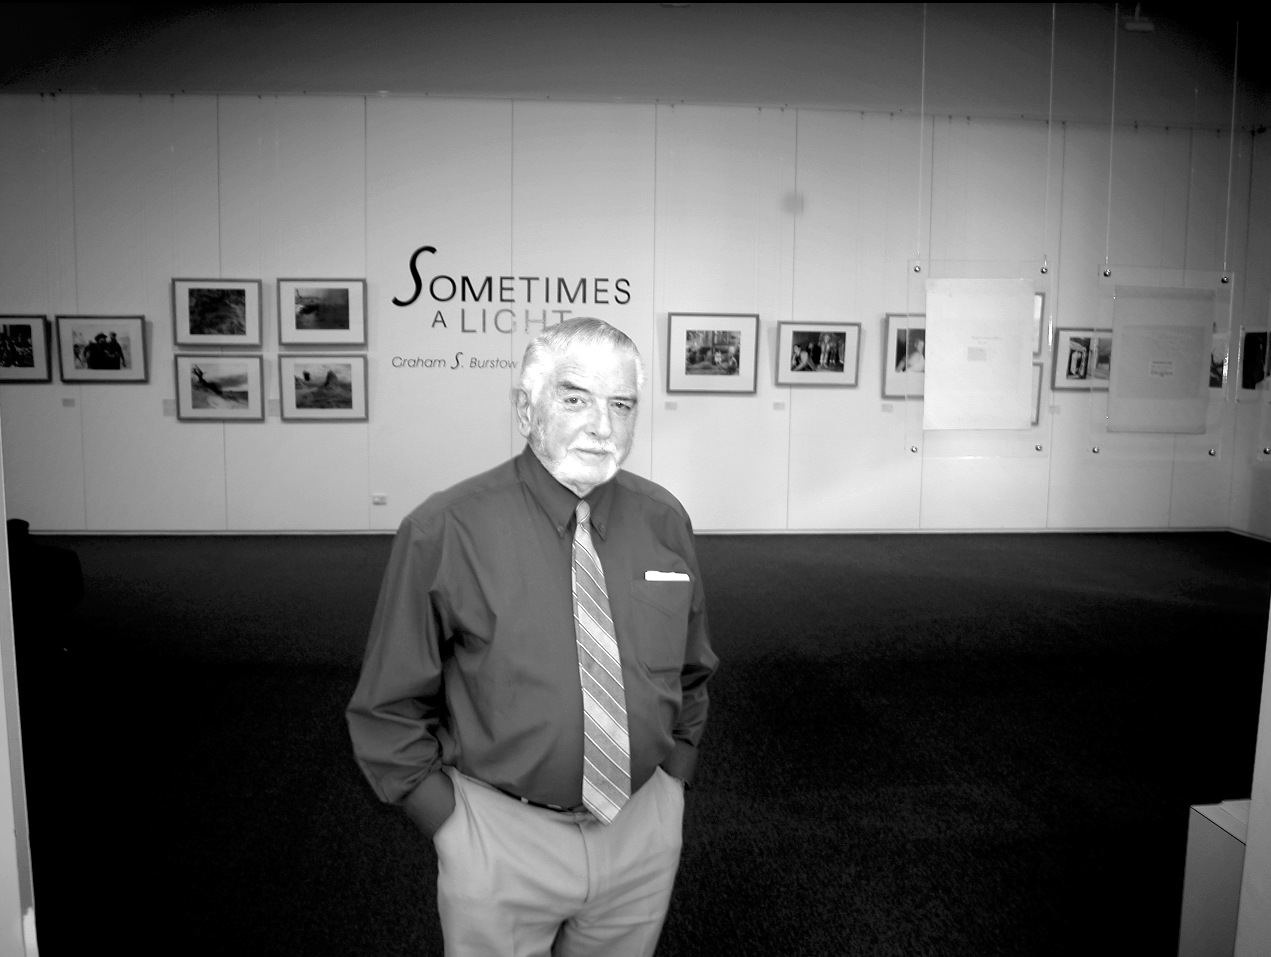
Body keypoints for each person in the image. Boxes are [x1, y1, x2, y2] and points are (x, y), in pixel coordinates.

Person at [347, 317, 717, 957]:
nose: (602, 427)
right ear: (526, 409)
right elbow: (387, 706)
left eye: (621, 405)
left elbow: (692, 667)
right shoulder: (445, 530)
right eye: (575, 399)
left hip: (641, 828)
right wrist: (450, 825)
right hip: (500, 837)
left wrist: (672, 781)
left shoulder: (664, 519)